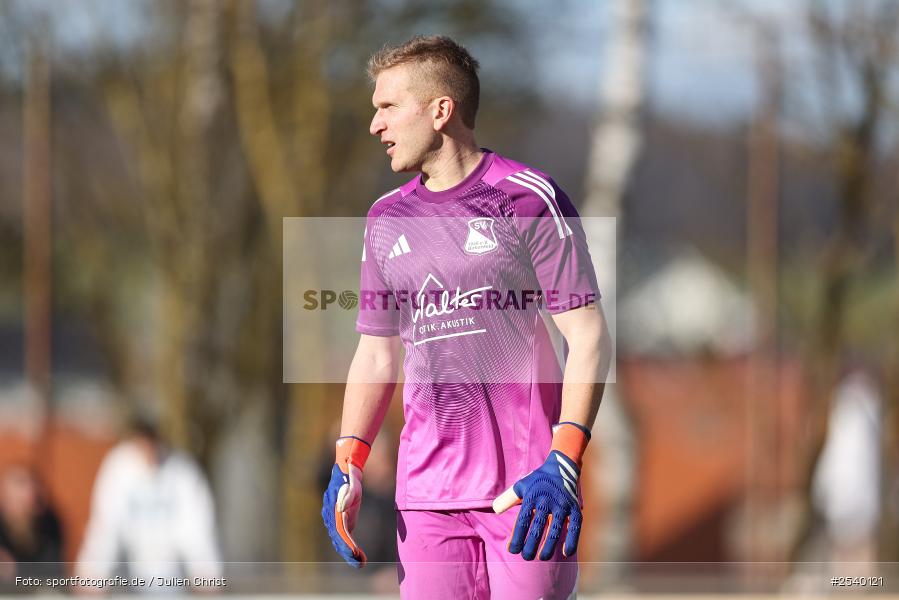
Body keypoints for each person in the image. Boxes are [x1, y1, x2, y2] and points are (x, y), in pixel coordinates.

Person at [321, 35, 612, 599]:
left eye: (387, 107)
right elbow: (376, 350)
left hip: (527, 491)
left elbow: (588, 333)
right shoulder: (385, 218)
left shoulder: (527, 199)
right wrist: (350, 456)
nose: (375, 125)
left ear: (440, 109)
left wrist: (566, 458)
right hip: (426, 497)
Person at [76, 418, 222, 590]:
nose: (148, 449)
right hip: (128, 577)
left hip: (171, 579)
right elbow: (106, 526)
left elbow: (196, 533)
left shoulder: (182, 473)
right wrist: (94, 573)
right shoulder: (118, 468)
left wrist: (206, 574)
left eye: (152, 441)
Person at [0, 464, 64, 586]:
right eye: (20, 484)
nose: (30, 490)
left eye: (32, 483)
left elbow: (53, 572)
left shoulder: (49, 523)